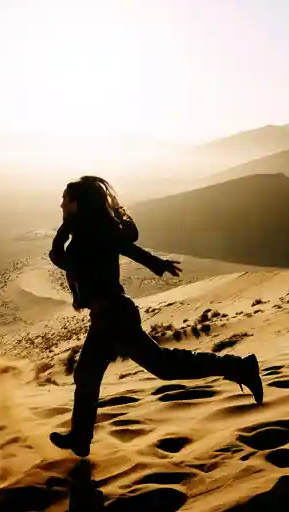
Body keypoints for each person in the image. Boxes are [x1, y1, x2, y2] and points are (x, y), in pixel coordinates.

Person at [47, 176, 263, 457]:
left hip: (114, 317)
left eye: (66, 199)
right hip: (105, 318)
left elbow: (63, 257)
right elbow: (126, 247)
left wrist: (66, 227)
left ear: (77, 203)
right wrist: (156, 264)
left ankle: (240, 367)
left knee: (163, 366)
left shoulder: (89, 233)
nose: (61, 203)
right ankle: (80, 439)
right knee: (87, 375)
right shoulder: (91, 229)